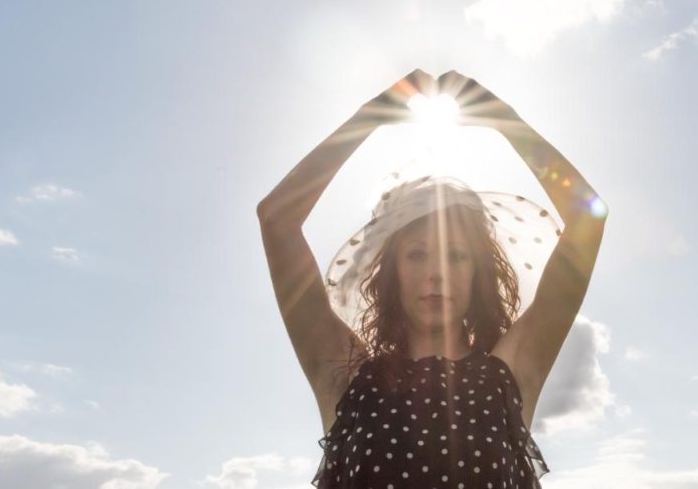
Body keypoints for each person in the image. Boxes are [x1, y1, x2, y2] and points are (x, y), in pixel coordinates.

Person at [257, 69, 608, 488]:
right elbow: (276, 219)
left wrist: (506, 120)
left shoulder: (510, 374)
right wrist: (367, 118)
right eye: (418, 254)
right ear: (392, 274)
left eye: (456, 256)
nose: (436, 274)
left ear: (478, 275)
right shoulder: (348, 377)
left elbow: (588, 217)